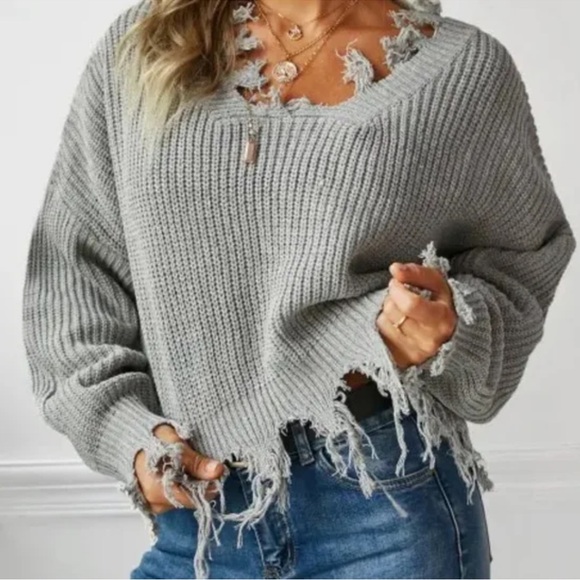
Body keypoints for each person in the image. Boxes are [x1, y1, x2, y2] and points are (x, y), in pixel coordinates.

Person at [21, 0, 576, 578]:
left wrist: (451, 323)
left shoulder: (461, 69)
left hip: (384, 498)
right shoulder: (148, 41)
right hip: (199, 512)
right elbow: (73, 273)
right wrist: (130, 439)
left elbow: (522, 262)